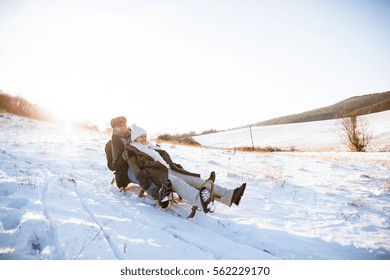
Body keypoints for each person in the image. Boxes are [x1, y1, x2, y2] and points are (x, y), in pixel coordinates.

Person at [125, 123, 247, 214]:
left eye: (145, 136)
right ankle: (202, 201)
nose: (143, 138)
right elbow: (136, 171)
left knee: (197, 181)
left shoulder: (151, 146)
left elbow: (165, 160)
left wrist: (177, 167)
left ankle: (230, 195)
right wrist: (152, 189)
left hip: (168, 169)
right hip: (156, 174)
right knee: (178, 183)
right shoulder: (131, 150)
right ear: (134, 138)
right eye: (140, 136)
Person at [107, 116, 171, 207]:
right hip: (127, 171)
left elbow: (145, 146)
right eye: (119, 126)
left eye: (124, 124)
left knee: (158, 169)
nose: (123, 127)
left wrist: (152, 149)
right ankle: (158, 194)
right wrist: (123, 158)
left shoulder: (136, 136)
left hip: (144, 163)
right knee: (141, 174)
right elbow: (111, 166)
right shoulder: (110, 145)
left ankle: (171, 184)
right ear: (114, 128)